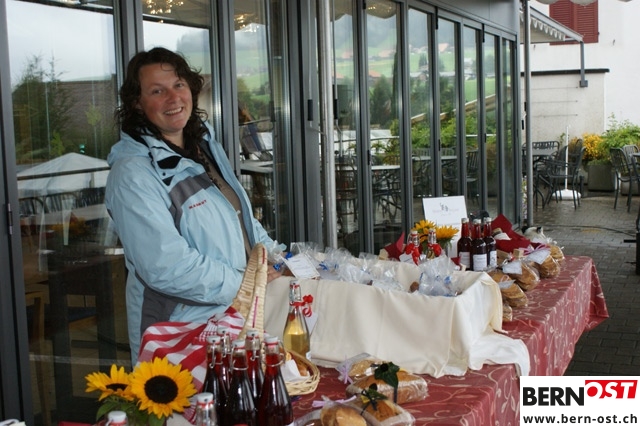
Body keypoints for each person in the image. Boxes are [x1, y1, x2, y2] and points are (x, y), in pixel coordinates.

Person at [105, 47, 281, 364]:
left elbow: (239, 218)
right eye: (157, 91)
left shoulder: (203, 149)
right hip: (181, 333)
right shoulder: (132, 174)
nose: (173, 98)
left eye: (179, 85)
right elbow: (165, 266)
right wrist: (246, 283)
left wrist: (277, 259)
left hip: (235, 318)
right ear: (137, 104)